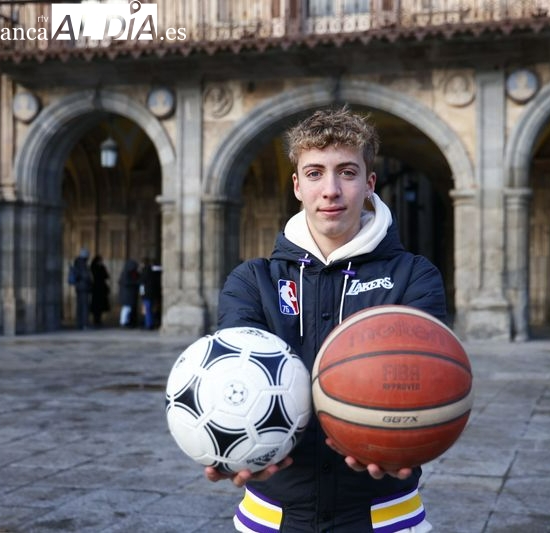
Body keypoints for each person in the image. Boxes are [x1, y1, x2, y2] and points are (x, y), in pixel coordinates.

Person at [210, 107, 447, 532]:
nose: (331, 190)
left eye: (348, 172)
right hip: (271, 517)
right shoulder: (253, 280)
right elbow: (237, 381)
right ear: (297, 185)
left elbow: (421, 384)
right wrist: (231, 440)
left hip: (385, 518)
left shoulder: (415, 275)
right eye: (315, 173)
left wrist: (399, 437)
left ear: (370, 184)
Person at [71, 247, 93, 330]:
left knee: (80, 306)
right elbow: (85, 275)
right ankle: (85, 324)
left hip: (79, 287)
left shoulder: (77, 262)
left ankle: (79, 323)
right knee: (84, 306)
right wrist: (90, 280)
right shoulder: (82, 263)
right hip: (83, 287)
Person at [139, 257, 161, 330]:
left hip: (146, 294)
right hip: (153, 293)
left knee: (147, 309)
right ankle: (151, 323)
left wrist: (141, 294)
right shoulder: (153, 270)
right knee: (151, 309)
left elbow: (142, 285)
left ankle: (149, 325)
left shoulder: (144, 272)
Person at [89, 254, 111, 327]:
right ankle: (97, 319)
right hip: (98, 288)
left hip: (97, 288)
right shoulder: (98, 267)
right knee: (98, 305)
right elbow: (106, 276)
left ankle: (97, 319)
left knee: (98, 305)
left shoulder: (94, 267)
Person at [118, 258, 140, 328]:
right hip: (127, 295)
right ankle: (123, 322)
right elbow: (126, 282)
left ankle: (127, 321)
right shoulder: (125, 273)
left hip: (130, 294)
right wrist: (135, 283)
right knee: (126, 309)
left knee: (128, 309)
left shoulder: (131, 273)